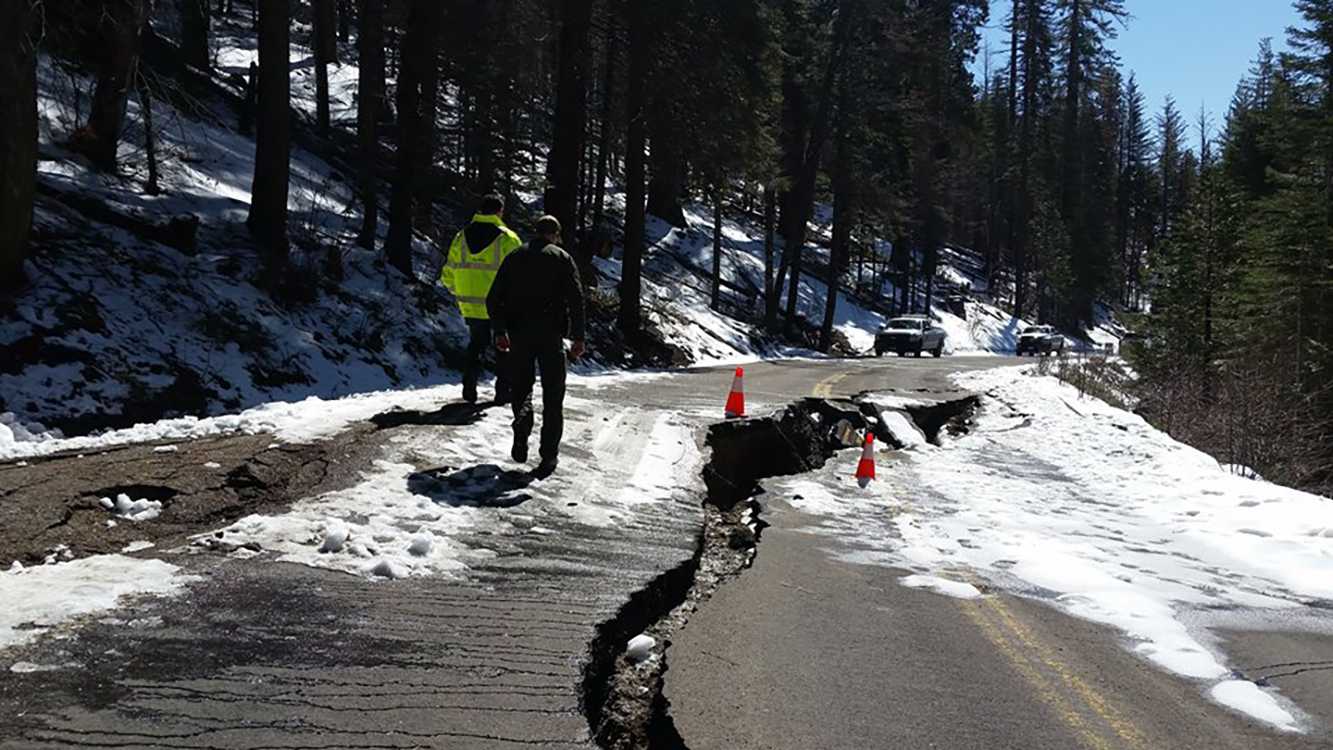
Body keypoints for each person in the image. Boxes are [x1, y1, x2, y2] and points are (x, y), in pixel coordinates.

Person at [486, 215, 586, 477]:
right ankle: (549, 455)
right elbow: (576, 300)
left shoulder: (515, 257)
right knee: (554, 396)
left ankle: (521, 429)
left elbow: (493, 297)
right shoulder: (562, 258)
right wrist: (578, 337)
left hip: (519, 335)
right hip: (551, 337)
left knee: (521, 387)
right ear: (554, 234)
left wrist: (499, 330)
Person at [440, 194, 523, 404]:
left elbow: (448, 272)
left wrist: (459, 292)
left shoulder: (461, 237)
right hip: (500, 306)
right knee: (503, 348)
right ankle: (502, 392)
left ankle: (469, 387)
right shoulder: (508, 239)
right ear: (499, 211)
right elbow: (520, 274)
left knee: (476, 345)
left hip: (470, 305)